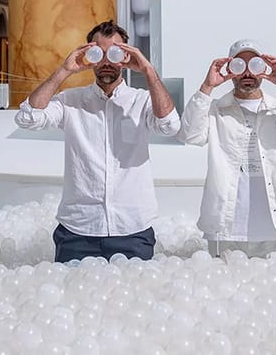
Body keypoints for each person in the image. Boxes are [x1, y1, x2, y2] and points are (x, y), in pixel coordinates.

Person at [14, 20, 180, 262]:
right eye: (98, 53)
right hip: (78, 230)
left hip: (132, 229)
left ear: (125, 57)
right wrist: (64, 70)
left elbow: (170, 125)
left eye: (114, 53)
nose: (106, 62)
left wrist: (147, 70)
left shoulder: (142, 101)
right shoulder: (71, 101)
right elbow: (28, 118)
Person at [177, 39, 276, 257]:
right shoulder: (215, 110)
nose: (247, 73)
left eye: (255, 65)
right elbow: (189, 134)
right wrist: (207, 87)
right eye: (239, 66)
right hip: (226, 227)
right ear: (230, 70)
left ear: (264, 69)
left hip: (275, 228)